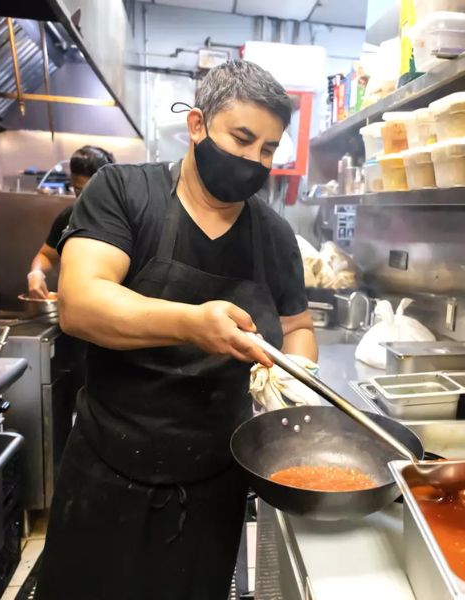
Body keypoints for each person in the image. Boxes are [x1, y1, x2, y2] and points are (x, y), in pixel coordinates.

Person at [34, 60, 317, 600]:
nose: (255, 160)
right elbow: (80, 302)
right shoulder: (124, 192)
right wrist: (192, 322)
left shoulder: (275, 236)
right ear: (196, 126)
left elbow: (297, 326)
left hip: (214, 480)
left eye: (268, 149)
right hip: (107, 470)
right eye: (242, 138)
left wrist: (296, 376)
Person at [27, 146, 115, 298]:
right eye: (78, 190)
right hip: (74, 309)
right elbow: (46, 255)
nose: (83, 199)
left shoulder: (124, 218)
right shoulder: (70, 216)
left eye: (90, 191)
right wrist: (36, 273)